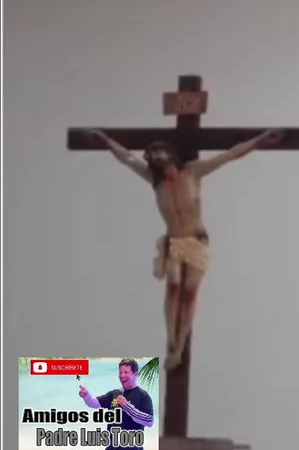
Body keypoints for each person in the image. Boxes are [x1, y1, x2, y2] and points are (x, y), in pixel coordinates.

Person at [84, 128, 283, 369]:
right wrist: (105, 141)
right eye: (155, 162)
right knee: (174, 286)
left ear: (172, 158)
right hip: (175, 241)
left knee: (189, 293)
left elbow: (230, 154)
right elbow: (127, 158)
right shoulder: (155, 182)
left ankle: (179, 347)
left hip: (197, 241)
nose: (161, 166)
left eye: (163, 159)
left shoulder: (193, 173)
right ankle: (171, 339)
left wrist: (259, 141)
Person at [79, 359, 155, 450]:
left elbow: (149, 421)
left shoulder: (143, 396)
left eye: (126, 372)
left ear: (135, 374)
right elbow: (95, 403)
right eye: (120, 372)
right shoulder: (115, 394)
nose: (122, 375)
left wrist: (127, 406)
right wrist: (86, 396)